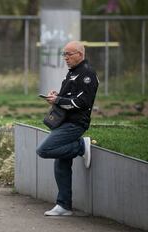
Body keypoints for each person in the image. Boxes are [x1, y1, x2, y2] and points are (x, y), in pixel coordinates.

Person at [36, 41, 99, 216]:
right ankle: (64, 205)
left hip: (75, 124)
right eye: (64, 54)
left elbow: (82, 103)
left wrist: (58, 101)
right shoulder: (73, 73)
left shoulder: (87, 74)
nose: (65, 58)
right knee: (61, 164)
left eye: (68, 54)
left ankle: (80, 146)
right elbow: (69, 97)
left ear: (80, 54)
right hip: (64, 121)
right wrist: (58, 96)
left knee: (44, 149)